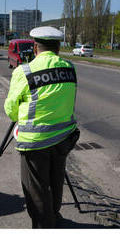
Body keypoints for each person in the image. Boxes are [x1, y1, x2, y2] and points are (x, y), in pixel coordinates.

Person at [4, 26, 80, 228]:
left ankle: (43, 225)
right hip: (64, 137)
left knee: (36, 189)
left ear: (35, 47)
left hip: (35, 143)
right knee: (56, 182)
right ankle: (54, 215)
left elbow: (11, 110)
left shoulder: (24, 71)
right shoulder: (69, 68)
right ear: (58, 48)